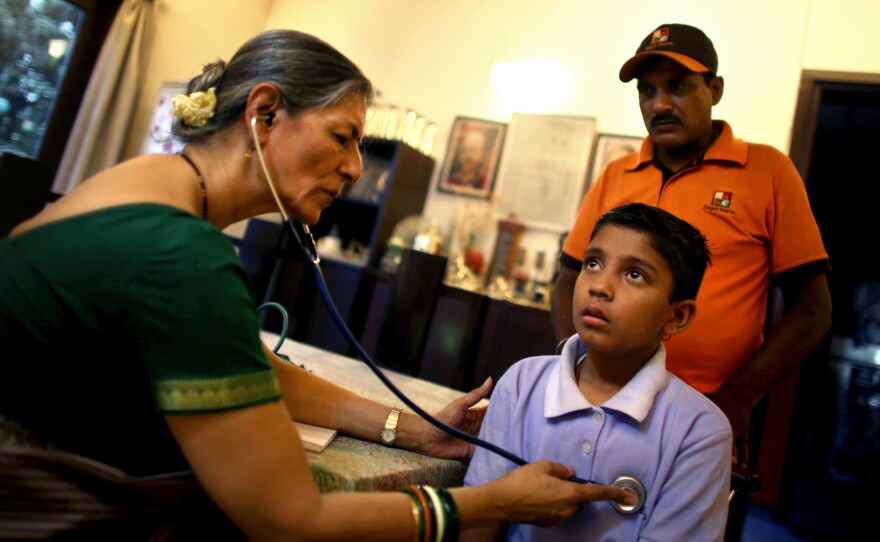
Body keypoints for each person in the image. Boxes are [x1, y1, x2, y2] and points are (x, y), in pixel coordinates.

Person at [0, 29, 629, 540]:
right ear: (265, 113)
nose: (356, 167)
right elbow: (288, 519)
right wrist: (494, 504)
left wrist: (409, 428)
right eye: (342, 137)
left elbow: (240, 363)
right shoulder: (179, 255)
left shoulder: (139, 184)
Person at [550, 23, 832, 468]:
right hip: (603, 400)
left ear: (714, 89)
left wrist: (737, 399)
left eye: (678, 87)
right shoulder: (617, 175)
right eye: (647, 91)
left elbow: (812, 309)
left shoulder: (768, 171)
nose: (659, 104)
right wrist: (573, 368)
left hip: (706, 408)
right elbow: (567, 278)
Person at [464, 203, 732, 541]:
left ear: (676, 316)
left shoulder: (700, 431)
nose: (600, 286)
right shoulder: (522, 382)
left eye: (634, 274)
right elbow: (480, 517)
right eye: (593, 263)